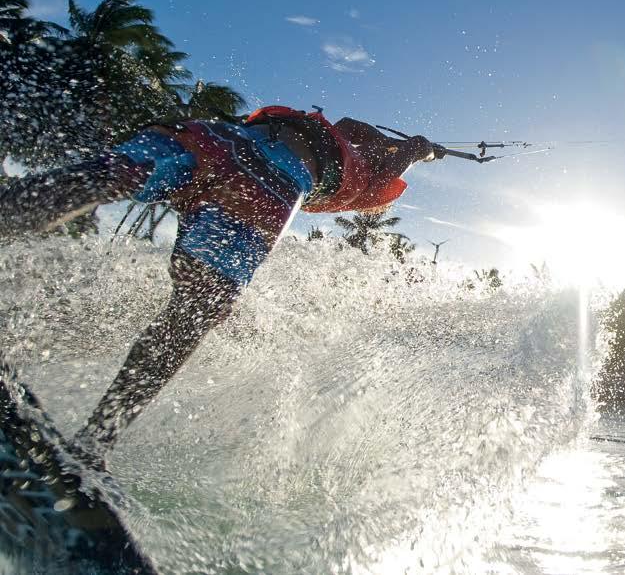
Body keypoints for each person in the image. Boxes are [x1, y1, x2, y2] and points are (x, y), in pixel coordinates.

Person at [0, 106, 445, 465]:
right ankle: (94, 443)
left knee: (97, 178)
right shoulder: (367, 179)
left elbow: (353, 128)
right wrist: (420, 150)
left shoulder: (333, 140)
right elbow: (381, 147)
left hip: (220, 139)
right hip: (269, 182)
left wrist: (407, 147)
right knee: (196, 308)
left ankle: (94, 442)